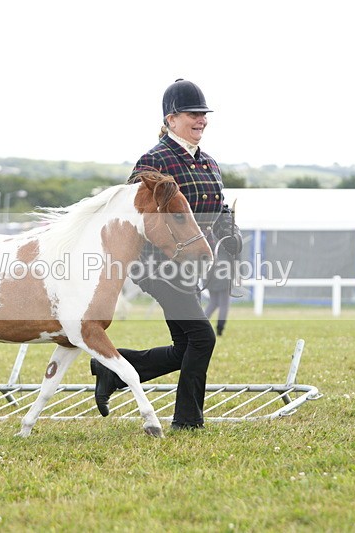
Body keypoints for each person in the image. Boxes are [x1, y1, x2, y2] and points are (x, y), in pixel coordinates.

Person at [90, 78, 242, 430]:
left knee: (184, 347)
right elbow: (130, 215)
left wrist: (228, 233)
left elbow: (218, 209)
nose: (201, 120)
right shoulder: (154, 161)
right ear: (171, 119)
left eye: (204, 114)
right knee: (203, 337)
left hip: (193, 268)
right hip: (157, 267)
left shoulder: (209, 164)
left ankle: (111, 368)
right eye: (193, 114)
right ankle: (188, 421)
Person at [203, 242, 234, 336]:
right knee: (224, 304)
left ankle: (200, 324)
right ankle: (220, 329)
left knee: (213, 302)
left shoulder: (209, 234)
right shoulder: (229, 235)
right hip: (224, 271)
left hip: (210, 271)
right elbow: (235, 256)